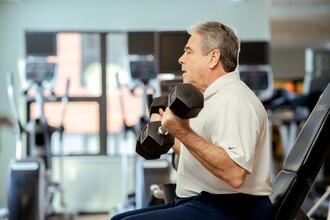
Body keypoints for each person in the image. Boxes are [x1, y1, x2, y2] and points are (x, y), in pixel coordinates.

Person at [111, 21, 273, 220]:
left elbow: (235, 173)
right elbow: (201, 153)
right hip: (205, 201)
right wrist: (168, 131)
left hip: (234, 207)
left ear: (213, 58)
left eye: (188, 52)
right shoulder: (212, 97)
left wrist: (182, 131)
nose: (181, 59)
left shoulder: (234, 101)